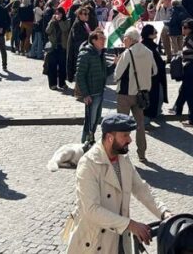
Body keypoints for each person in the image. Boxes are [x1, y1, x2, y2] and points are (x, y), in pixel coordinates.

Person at [66, 113, 169, 254]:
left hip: (119, 239)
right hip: (94, 243)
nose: (130, 140)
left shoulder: (123, 159)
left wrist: (164, 213)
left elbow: (141, 189)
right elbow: (92, 210)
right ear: (110, 138)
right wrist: (131, 225)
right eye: (125, 135)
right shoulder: (88, 164)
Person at [113, 28, 157, 162]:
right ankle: (142, 153)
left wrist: (117, 63)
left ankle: (121, 153)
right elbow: (154, 71)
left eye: (125, 38)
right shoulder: (148, 52)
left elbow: (116, 76)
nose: (123, 40)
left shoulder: (127, 53)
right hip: (141, 95)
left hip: (125, 94)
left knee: (122, 125)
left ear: (131, 39)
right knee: (140, 125)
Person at [77, 30, 110, 143]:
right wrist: (85, 94)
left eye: (104, 38)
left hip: (99, 91)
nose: (104, 40)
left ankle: (90, 140)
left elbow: (105, 72)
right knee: (90, 121)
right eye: (101, 38)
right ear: (93, 40)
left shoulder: (100, 54)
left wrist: (115, 64)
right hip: (91, 93)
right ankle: (85, 143)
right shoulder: (85, 54)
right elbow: (80, 76)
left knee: (95, 119)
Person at [172, 19, 193, 128]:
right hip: (188, 69)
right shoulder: (188, 38)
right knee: (185, 91)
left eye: (185, 27)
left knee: (191, 96)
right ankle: (177, 109)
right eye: (183, 26)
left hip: (190, 69)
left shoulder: (191, 39)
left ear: (191, 29)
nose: (183, 29)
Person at [141, 24, 168, 124]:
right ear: (149, 35)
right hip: (151, 77)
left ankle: (156, 112)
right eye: (154, 32)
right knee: (151, 97)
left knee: (159, 96)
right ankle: (147, 119)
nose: (156, 33)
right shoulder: (146, 46)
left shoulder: (152, 45)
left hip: (157, 76)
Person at [67, 7, 93, 85]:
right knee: (80, 72)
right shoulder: (77, 24)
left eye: (87, 14)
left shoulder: (85, 23)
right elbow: (78, 39)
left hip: (85, 50)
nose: (87, 16)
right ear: (79, 15)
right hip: (78, 51)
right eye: (85, 14)